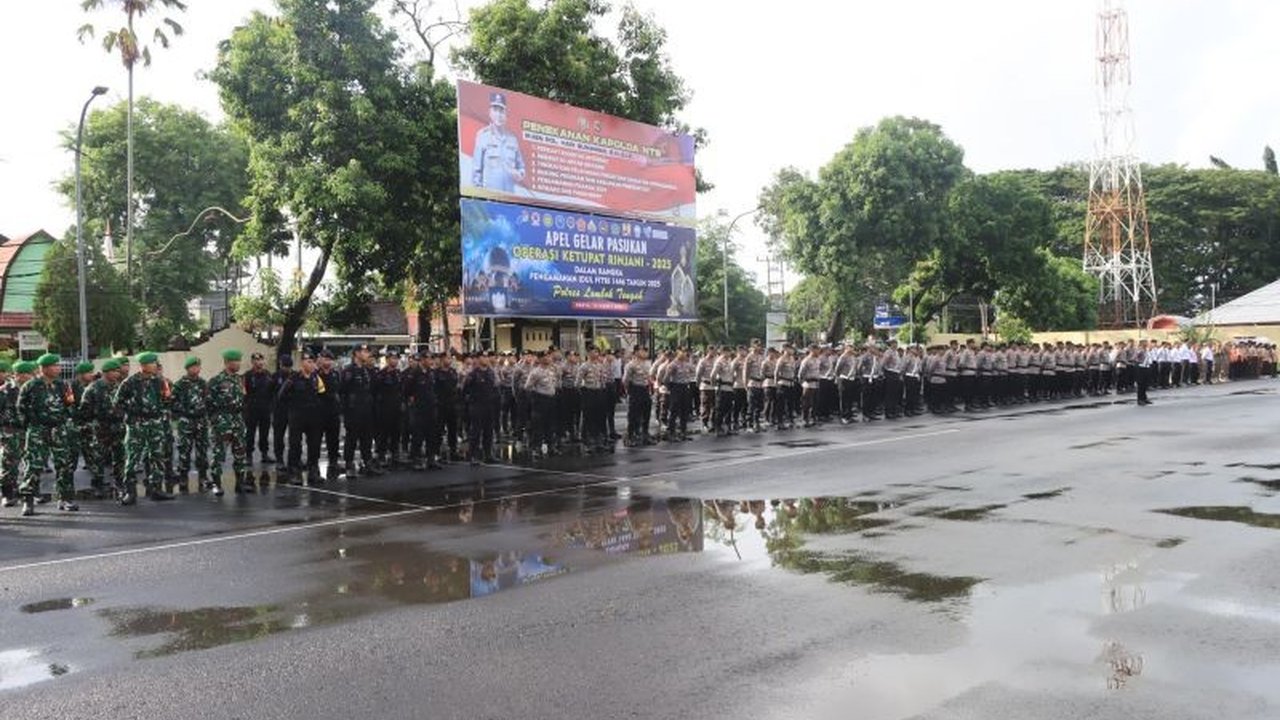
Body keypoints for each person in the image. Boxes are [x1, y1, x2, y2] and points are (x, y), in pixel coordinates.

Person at [111, 352, 174, 506]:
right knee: (132, 458)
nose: (156, 366)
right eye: (153, 363)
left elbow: (167, 400)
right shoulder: (129, 383)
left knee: (157, 456)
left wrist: (160, 413)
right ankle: (130, 492)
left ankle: (156, 489)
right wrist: (130, 415)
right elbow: (117, 403)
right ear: (144, 365)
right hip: (136, 425)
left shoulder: (159, 381)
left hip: (155, 423)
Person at [80, 359, 126, 497]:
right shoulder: (93, 388)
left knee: (120, 456)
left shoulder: (121, 387)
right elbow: (84, 409)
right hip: (101, 426)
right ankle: (98, 484)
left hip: (118, 426)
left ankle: (120, 482)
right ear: (106, 372)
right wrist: (92, 423)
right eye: (114, 371)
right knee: (98, 457)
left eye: (118, 371)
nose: (117, 374)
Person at [279, 350, 326, 484]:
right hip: (297, 415)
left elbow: (322, 394)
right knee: (295, 445)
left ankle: (313, 471)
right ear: (302, 363)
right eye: (308, 362)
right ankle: (294, 472)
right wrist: (292, 407)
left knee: (314, 444)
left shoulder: (316, 378)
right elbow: (281, 396)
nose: (311, 365)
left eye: (313, 362)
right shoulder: (293, 378)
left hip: (313, 416)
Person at [208, 349, 248, 495]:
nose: (238, 364)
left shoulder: (239, 379)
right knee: (219, 454)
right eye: (235, 361)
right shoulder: (216, 381)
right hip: (222, 421)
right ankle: (216, 484)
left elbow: (243, 398)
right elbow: (208, 403)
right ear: (227, 363)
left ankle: (240, 483)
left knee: (240, 452)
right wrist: (215, 421)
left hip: (237, 420)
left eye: (239, 361)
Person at [470, 92, 526, 192]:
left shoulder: (513, 139)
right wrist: (479, 197)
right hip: (490, 198)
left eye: (501, 111)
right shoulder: (483, 136)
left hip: (509, 199)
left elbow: (521, 168)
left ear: (506, 115)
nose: (498, 115)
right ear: (490, 113)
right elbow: (476, 171)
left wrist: (519, 174)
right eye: (495, 110)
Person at [171, 356, 211, 494]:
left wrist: (204, 411)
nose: (196, 369)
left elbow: (208, 400)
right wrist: (184, 409)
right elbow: (172, 402)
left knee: (202, 450)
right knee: (184, 451)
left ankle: (203, 477)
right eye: (194, 367)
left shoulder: (203, 383)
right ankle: (183, 477)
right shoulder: (180, 384)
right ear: (188, 369)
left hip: (201, 421)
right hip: (186, 421)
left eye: (198, 366)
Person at [339, 344, 378, 479]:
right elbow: (342, 392)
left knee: (367, 438)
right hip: (353, 411)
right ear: (356, 354)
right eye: (364, 351)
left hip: (366, 409)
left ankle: (367, 462)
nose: (367, 354)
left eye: (367, 352)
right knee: (352, 438)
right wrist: (346, 412)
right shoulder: (348, 371)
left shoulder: (366, 371)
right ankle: (349, 464)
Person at [403, 351, 439, 471]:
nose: (431, 361)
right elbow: (406, 389)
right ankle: (416, 459)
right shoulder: (414, 373)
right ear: (423, 360)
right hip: (418, 408)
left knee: (431, 435)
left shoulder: (431, 373)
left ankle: (431, 458)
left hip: (430, 407)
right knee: (418, 435)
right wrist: (411, 399)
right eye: (429, 359)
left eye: (432, 359)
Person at [463, 352, 499, 465]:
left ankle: (488, 454)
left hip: (489, 405)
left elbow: (495, 388)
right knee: (476, 432)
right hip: (477, 405)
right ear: (478, 359)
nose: (486, 359)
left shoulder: (490, 373)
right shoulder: (473, 374)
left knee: (488, 431)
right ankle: (473, 455)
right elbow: (465, 390)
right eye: (483, 357)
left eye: (487, 357)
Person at [373, 348, 405, 470]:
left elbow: (402, 391)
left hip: (396, 408)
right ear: (387, 360)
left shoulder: (398, 374)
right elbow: (375, 391)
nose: (395, 361)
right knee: (383, 433)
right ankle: (381, 455)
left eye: (396, 358)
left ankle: (394, 454)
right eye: (392, 358)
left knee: (396, 432)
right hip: (384, 408)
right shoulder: (381, 375)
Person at [243, 352, 275, 464]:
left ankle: (264, 454)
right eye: (256, 360)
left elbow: (272, 391)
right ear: (252, 362)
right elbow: (244, 393)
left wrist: (271, 406)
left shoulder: (268, 375)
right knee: (250, 433)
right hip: (252, 409)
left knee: (264, 433)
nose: (259, 362)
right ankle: (248, 455)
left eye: (261, 360)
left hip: (265, 408)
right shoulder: (247, 375)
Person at [0, 361, 22, 507]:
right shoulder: (4, 391)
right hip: (5, 430)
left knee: (13, 461)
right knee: (7, 462)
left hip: (15, 429)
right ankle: (7, 493)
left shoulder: (13, 389)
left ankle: (13, 489)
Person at [317, 349, 343, 477]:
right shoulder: (315, 374)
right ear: (320, 359)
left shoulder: (336, 374)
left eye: (330, 360)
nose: (328, 362)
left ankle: (333, 462)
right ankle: (313, 464)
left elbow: (340, 391)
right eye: (325, 359)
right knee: (315, 439)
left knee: (333, 439)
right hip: (319, 411)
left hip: (333, 411)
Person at [623, 347, 653, 446]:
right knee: (633, 415)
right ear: (636, 352)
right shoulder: (631, 365)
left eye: (645, 350)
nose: (644, 352)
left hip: (645, 389)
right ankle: (629, 437)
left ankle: (645, 435)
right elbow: (625, 380)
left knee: (646, 414)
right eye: (642, 350)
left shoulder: (647, 364)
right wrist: (629, 391)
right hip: (635, 389)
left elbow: (649, 377)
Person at [435, 353, 461, 462]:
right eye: (447, 358)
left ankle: (453, 451)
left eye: (450, 358)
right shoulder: (436, 373)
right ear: (441, 359)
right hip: (440, 405)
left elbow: (456, 387)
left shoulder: (453, 372)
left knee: (453, 429)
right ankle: (436, 452)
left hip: (452, 404)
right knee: (438, 430)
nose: (449, 360)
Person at [270, 355, 293, 464]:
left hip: (292, 409)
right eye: (285, 366)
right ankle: (279, 458)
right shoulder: (275, 376)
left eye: (288, 367)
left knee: (294, 437)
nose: (286, 369)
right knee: (279, 436)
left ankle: (294, 459)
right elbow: (269, 391)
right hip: (279, 410)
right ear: (281, 365)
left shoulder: (295, 376)